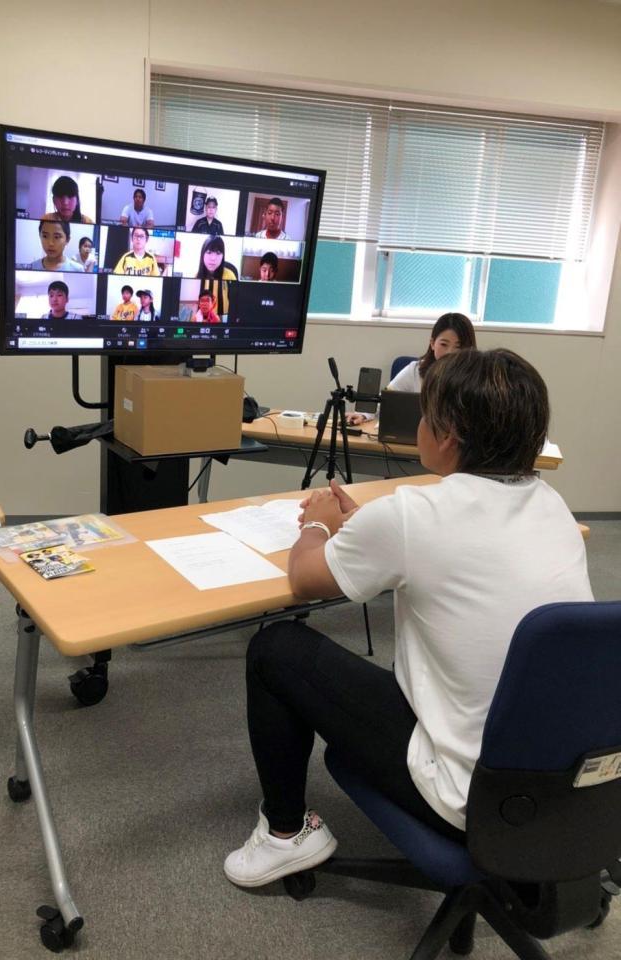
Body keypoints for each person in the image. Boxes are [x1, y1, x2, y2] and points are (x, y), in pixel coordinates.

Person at [223, 348, 593, 889]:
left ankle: (286, 835)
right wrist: (365, 527)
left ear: (448, 436)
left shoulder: (413, 516)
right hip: (564, 788)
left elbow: (304, 578)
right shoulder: (552, 505)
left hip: (472, 798)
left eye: (425, 414)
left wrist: (319, 525)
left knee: (275, 648)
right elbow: (439, 548)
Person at [347, 312, 476, 425]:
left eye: (458, 347)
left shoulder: (476, 376)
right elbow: (386, 400)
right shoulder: (416, 370)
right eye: (444, 344)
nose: (450, 352)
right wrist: (363, 415)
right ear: (432, 343)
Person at [196, 235, 238, 316]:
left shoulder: (230, 275)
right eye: (209, 252)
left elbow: (236, 302)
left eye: (218, 253)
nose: (213, 258)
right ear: (202, 254)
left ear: (223, 256)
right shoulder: (196, 276)